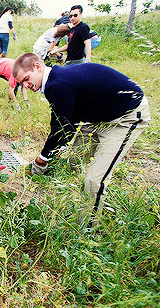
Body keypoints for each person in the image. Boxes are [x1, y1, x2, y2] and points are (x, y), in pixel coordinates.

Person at [12, 52, 150, 217]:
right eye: (21, 83)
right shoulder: (56, 80)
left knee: (93, 180)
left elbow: (61, 128)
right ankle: (78, 204)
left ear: (37, 67)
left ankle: (85, 233)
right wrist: (49, 156)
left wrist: (42, 159)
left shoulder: (58, 84)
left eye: (26, 79)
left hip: (126, 116)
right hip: (99, 117)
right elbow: (68, 125)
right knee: (71, 163)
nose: (25, 86)